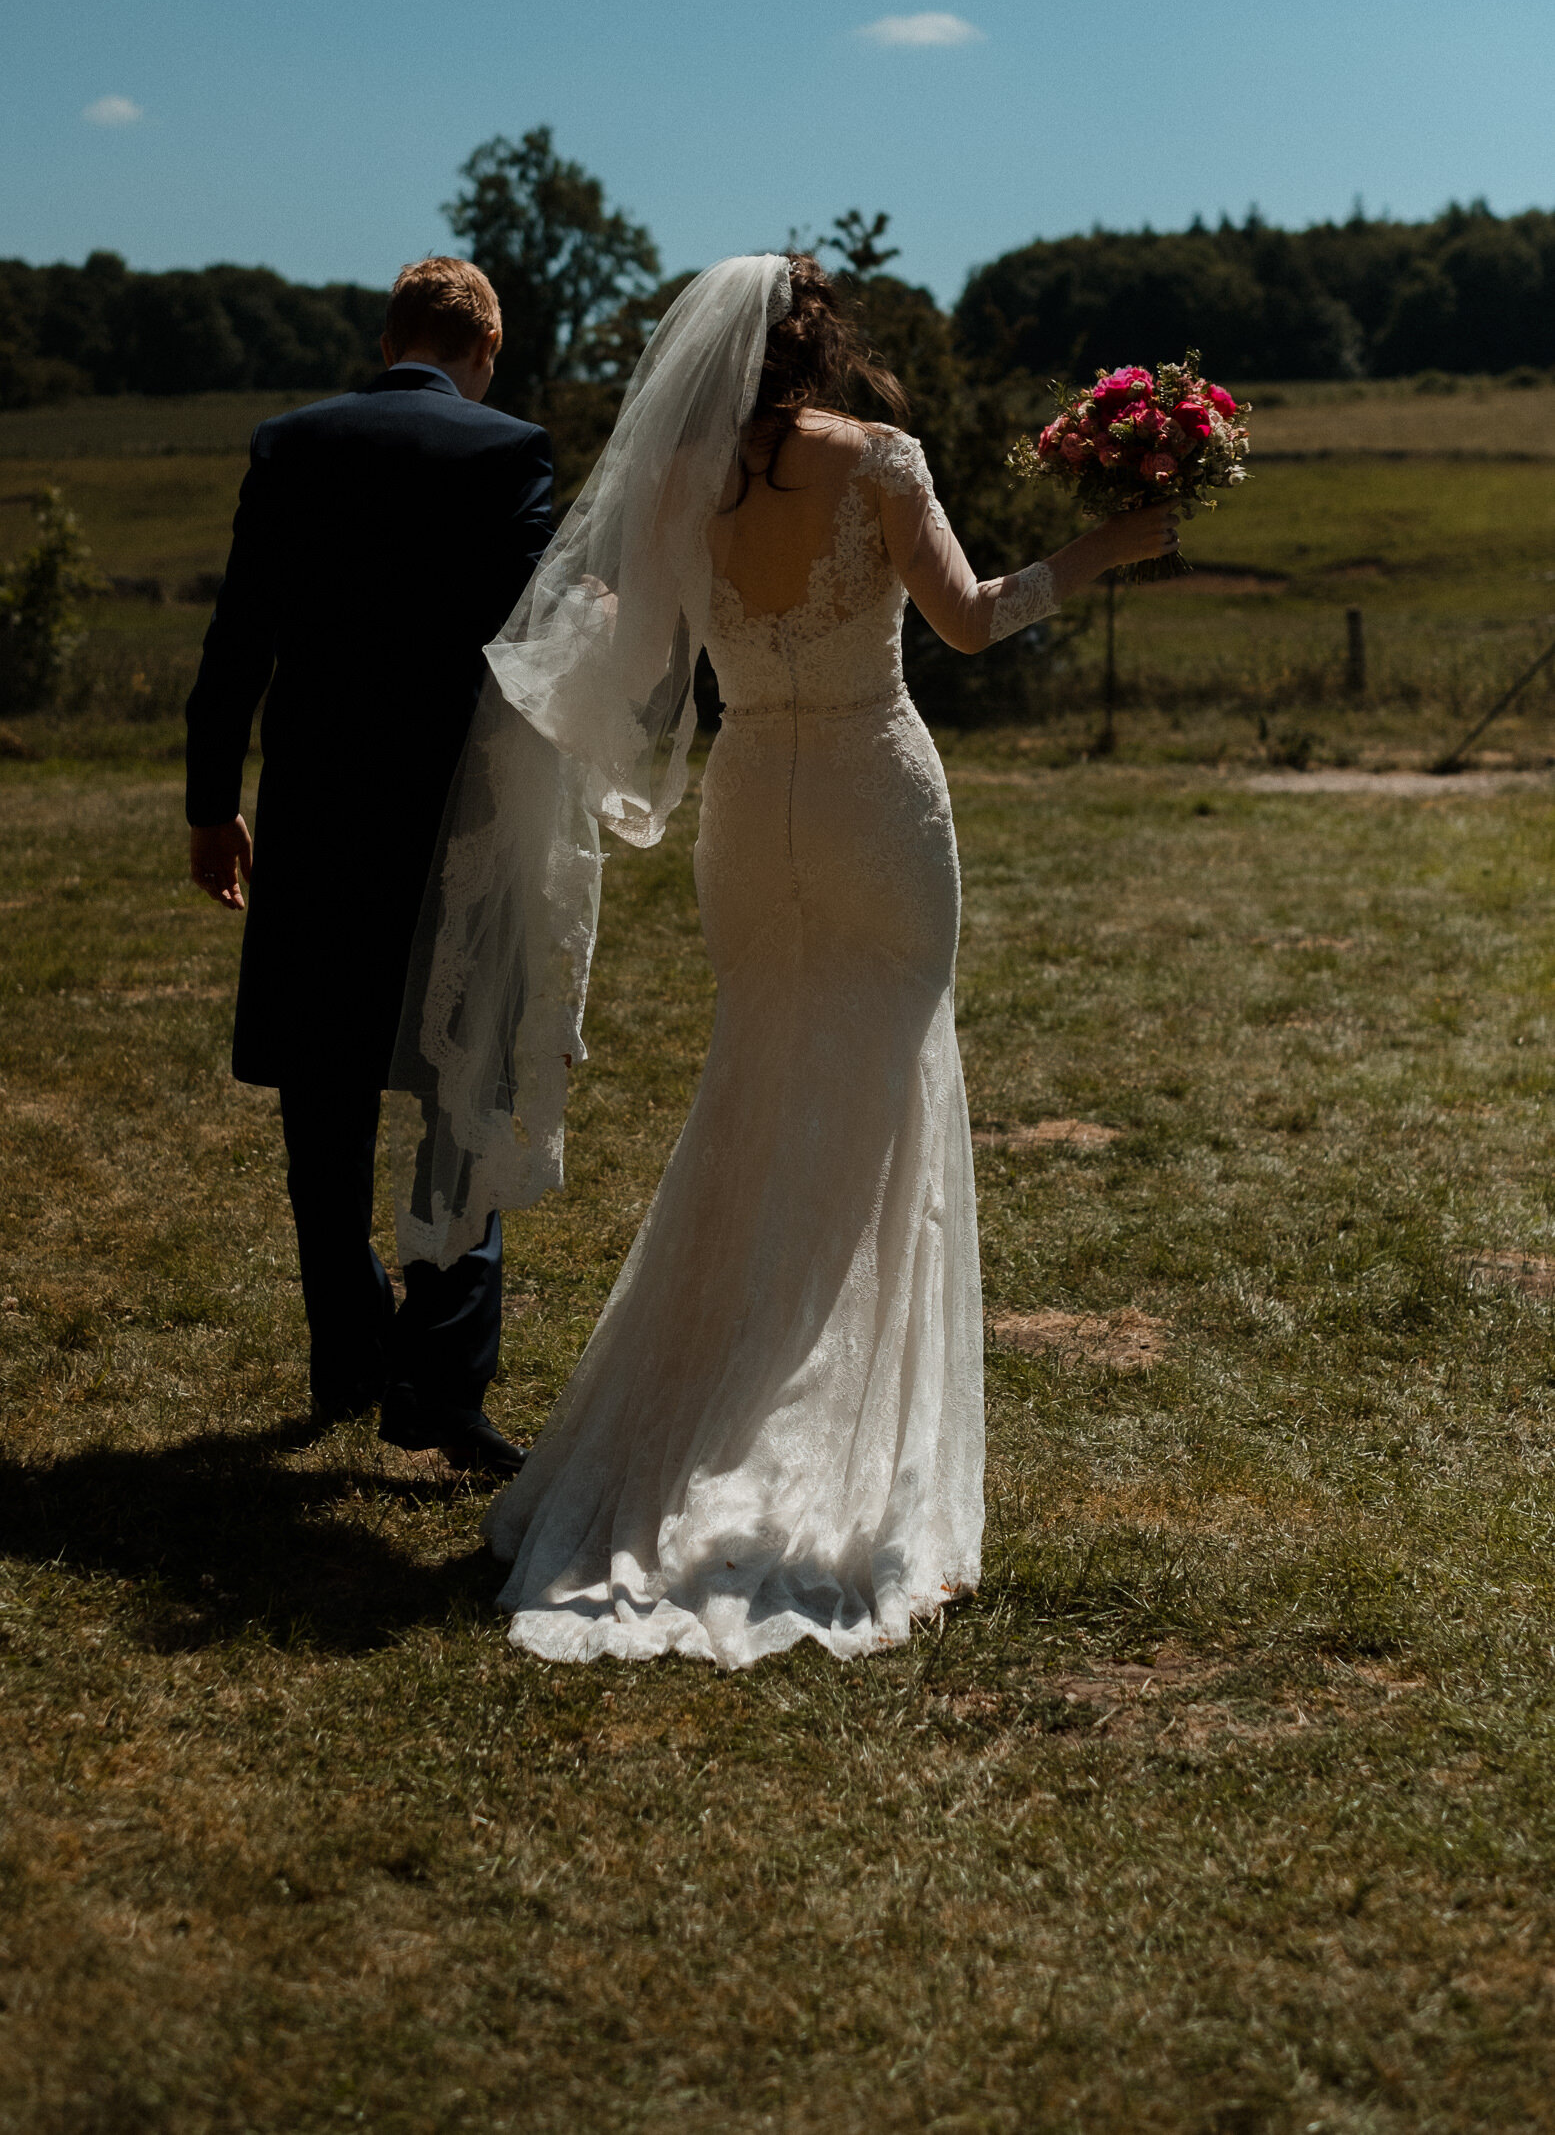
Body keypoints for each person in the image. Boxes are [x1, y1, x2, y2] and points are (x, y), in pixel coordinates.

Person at [395, 253, 1175, 1665]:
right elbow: (972, 619)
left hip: (749, 806)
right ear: (816, 352)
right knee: (882, 1081)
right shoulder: (880, 459)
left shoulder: (672, 484)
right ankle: (840, 1438)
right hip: (876, 796)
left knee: (750, 1093)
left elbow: (622, 656)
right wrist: (1109, 550)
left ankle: (690, 1420)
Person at [184, 257, 555, 1471]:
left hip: (315, 809)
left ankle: (348, 1355)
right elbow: (537, 638)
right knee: (465, 1085)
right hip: (454, 817)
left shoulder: (292, 443)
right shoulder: (508, 453)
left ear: (389, 335)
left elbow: (241, 634)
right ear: (483, 345)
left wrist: (210, 803)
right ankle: (440, 1385)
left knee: (323, 1093)